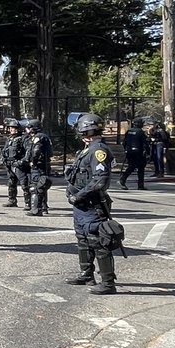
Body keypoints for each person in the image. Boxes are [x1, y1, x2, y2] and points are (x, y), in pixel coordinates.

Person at [64, 113, 118, 295]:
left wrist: (78, 196)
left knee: (98, 242)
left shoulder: (98, 150)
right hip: (82, 206)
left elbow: (99, 180)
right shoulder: (87, 149)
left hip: (92, 205)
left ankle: (108, 283)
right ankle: (86, 274)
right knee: (83, 240)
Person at [23, 118, 53, 216]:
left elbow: (36, 151)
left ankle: (36, 209)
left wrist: (32, 161)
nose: (27, 129)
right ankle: (43, 207)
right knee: (42, 186)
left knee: (35, 187)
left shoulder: (38, 137)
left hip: (38, 166)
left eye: (29, 127)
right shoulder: (44, 136)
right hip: (44, 165)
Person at [0, 116, 27, 207]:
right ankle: (12, 200)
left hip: (18, 164)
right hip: (9, 164)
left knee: (24, 184)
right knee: (11, 183)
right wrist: (2, 158)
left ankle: (28, 203)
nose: (11, 129)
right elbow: (5, 149)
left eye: (13, 128)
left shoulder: (23, 139)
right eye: (10, 128)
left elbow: (27, 152)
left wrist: (21, 162)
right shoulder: (10, 138)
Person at [119, 117, 148, 190]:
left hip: (130, 152)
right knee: (141, 168)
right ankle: (140, 185)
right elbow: (145, 144)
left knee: (131, 166)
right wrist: (147, 152)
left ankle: (123, 179)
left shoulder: (129, 131)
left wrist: (126, 150)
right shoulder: (140, 132)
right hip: (139, 152)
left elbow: (124, 142)